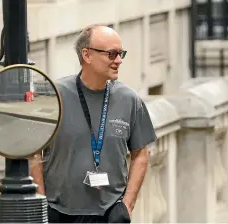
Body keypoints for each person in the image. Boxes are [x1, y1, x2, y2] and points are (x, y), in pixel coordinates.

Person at [30, 25, 157, 223]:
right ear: (87, 55)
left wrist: (127, 205)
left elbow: (141, 153)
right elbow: (33, 151)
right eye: (111, 54)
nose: (119, 60)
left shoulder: (129, 99)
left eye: (120, 53)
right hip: (58, 213)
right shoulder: (54, 95)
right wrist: (41, 203)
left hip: (110, 214)